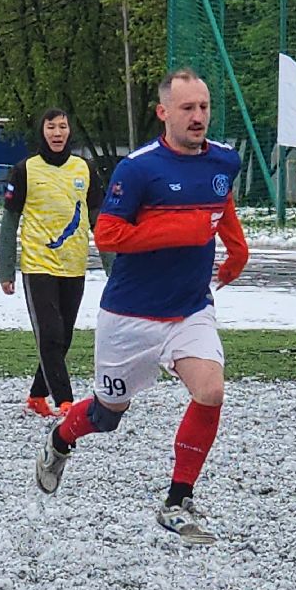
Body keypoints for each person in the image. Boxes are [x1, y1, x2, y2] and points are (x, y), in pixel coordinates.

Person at [34, 69, 248, 545]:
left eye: (204, 107)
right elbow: (107, 235)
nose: (198, 117)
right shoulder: (138, 169)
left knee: (210, 390)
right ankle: (59, 440)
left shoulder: (224, 162)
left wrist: (237, 250)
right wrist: (176, 232)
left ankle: (177, 501)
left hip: (190, 309)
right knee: (107, 415)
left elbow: (221, 205)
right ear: (163, 112)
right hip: (129, 316)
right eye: (187, 108)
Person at [0, 108, 106, 416]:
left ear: (69, 131)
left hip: (74, 263)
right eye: (51, 127)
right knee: (51, 334)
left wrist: (115, 266)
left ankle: (36, 395)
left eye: (62, 127)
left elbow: (99, 220)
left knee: (65, 334)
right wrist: (6, 269)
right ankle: (65, 400)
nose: (57, 133)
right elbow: (9, 223)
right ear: (41, 131)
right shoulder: (24, 170)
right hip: (38, 264)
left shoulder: (85, 169)